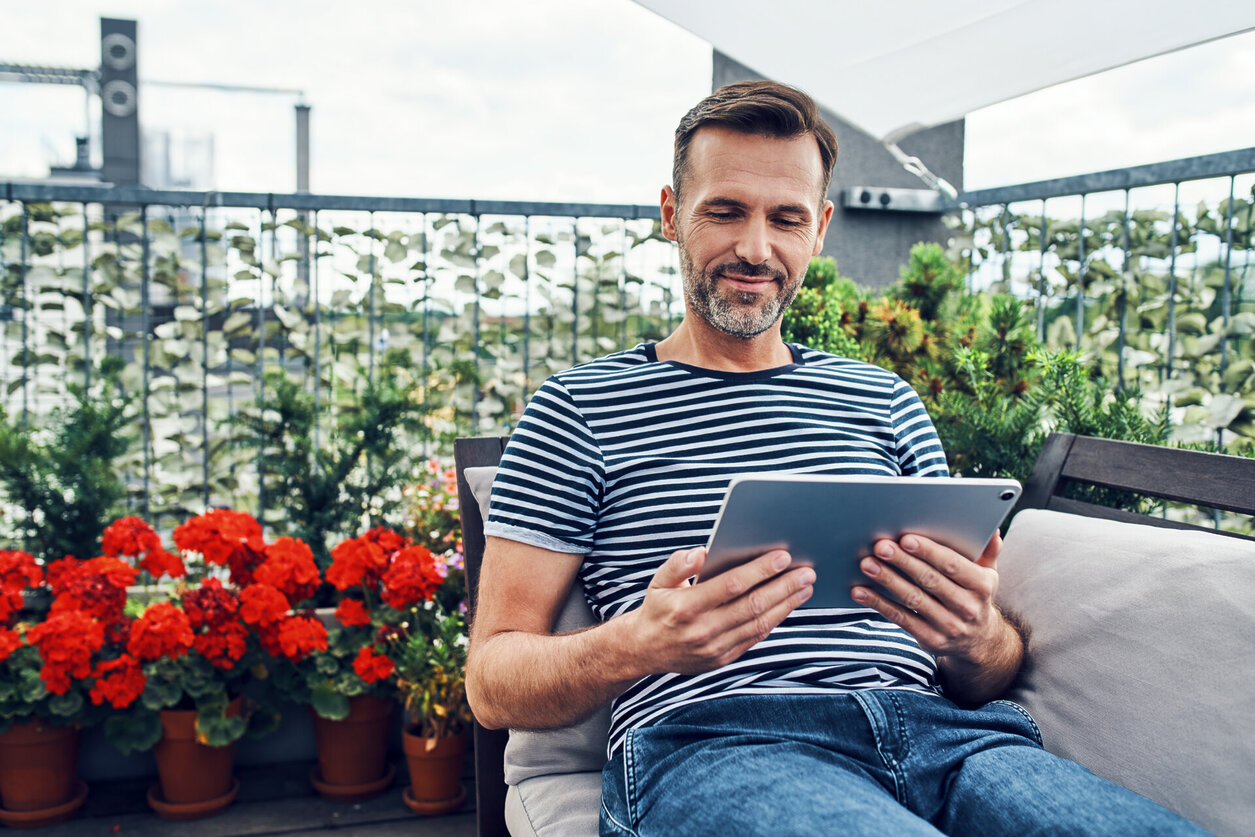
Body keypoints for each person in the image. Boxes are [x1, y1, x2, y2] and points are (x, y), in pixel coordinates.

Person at [466, 81, 1207, 836]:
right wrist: (636, 644)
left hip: (950, 740)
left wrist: (970, 634)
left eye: (785, 218)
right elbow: (492, 682)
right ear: (670, 214)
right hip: (723, 742)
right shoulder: (579, 407)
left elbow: (988, 665)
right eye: (724, 211)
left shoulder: (883, 401)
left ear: (818, 229)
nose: (755, 248)